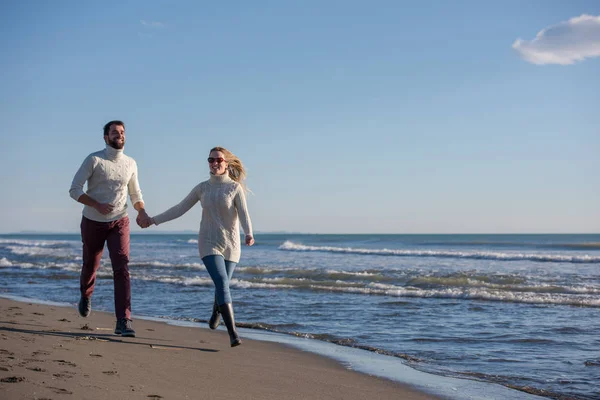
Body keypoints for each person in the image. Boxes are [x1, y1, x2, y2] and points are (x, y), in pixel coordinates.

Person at [143, 146, 254, 347]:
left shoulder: (234, 188)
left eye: (218, 160)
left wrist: (249, 233)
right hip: (208, 242)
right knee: (221, 281)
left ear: (226, 163)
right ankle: (233, 333)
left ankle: (216, 310)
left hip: (232, 244)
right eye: (211, 160)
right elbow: (180, 208)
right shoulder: (202, 188)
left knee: (223, 286)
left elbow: (244, 213)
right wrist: (153, 220)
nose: (214, 163)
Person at [69, 120, 152, 338]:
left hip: (120, 221)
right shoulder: (94, 159)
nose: (119, 135)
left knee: (122, 267)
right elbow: (74, 189)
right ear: (106, 137)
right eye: (115, 132)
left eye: (122, 132)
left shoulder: (131, 163)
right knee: (90, 265)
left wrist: (141, 211)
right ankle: (86, 294)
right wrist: (96, 204)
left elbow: (135, 193)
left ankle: (124, 320)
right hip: (93, 221)